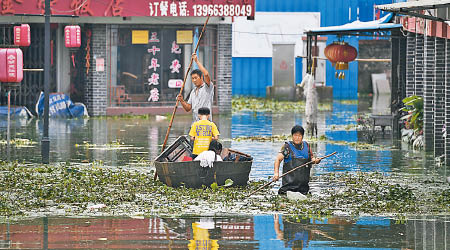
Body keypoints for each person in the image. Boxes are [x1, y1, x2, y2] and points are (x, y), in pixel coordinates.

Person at [273, 125, 321, 195]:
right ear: (292, 136)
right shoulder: (287, 147)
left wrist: (316, 161)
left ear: (302, 136)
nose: (297, 138)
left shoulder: (307, 146)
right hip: (288, 189)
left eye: (299, 136)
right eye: (295, 135)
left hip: (303, 189)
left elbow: (311, 158)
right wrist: (276, 173)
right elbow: (278, 160)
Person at [177, 53, 214, 122]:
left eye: (196, 78)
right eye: (192, 78)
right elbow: (188, 108)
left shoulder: (207, 88)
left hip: (206, 124)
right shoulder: (193, 92)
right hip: (195, 124)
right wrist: (182, 101)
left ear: (201, 78)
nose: (194, 80)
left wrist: (196, 61)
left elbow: (206, 74)